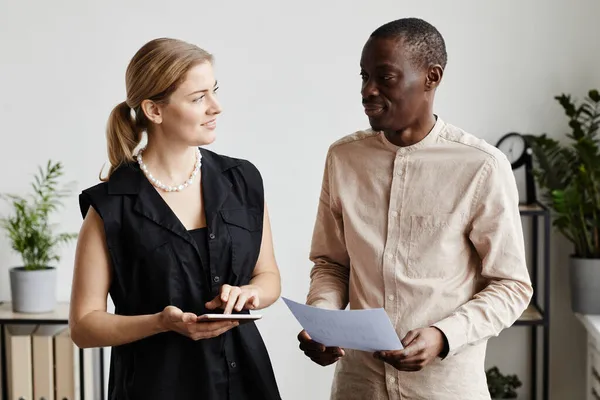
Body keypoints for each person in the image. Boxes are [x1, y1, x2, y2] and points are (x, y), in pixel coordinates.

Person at [298, 18, 533, 399]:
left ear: (431, 77)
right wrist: (322, 321)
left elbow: (511, 285)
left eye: (385, 78)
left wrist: (444, 336)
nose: (368, 90)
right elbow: (331, 263)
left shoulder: (481, 166)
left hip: (446, 387)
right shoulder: (343, 157)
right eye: (364, 76)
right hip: (359, 386)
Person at [69, 38, 282, 400]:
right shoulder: (110, 206)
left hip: (246, 380)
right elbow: (84, 326)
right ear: (154, 110)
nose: (216, 107)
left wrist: (250, 294)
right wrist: (160, 323)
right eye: (199, 98)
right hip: (155, 387)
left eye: (214, 91)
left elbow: (268, 276)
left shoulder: (243, 180)